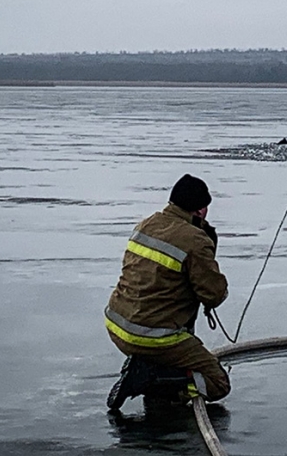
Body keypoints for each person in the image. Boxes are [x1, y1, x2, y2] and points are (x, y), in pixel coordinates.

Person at [104, 174, 230, 409]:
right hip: (154, 336)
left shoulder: (146, 224)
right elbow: (213, 294)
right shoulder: (195, 239)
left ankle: (146, 368)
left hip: (117, 326)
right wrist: (208, 250)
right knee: (217, 382)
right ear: (201, 210)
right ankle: (155, 380)